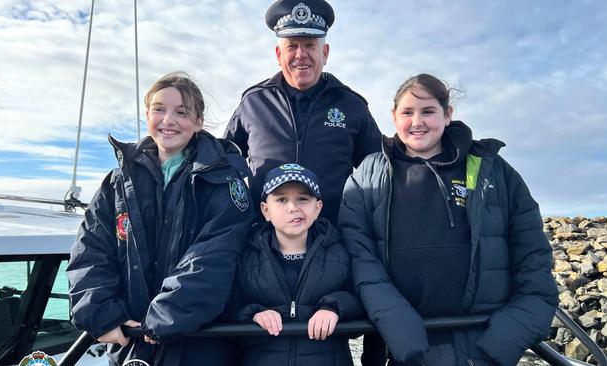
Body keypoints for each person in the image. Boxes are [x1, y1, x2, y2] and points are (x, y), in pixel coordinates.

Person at [338, 73, 558, 366]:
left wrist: (502, 341)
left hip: (480, 348)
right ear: (393, 116)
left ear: (447, 114)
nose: (417, 122)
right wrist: (400, 330)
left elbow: (534, 262)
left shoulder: (495, 172)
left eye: (428, 111)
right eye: (407, 112)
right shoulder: (367, 175)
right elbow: (359, 258)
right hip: (402, 349)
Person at [67, 72, 255, 366]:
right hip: (130, 343)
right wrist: (101, 313)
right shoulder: (117, 182)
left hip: (199, 345)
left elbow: (214, 259)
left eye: (181, 112)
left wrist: (162, 317)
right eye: (159, 109)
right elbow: (91, 250)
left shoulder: (224, 183)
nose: (168, 120)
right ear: (147, 114)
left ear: (198, 122)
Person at [224, 0, 382, 224]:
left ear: (324, 53)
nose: (301, 54)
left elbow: (379, 171)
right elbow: (225, 166)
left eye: (309, 45)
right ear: (279, 55)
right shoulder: (252, 103)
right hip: (262, 244)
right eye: (292, 46)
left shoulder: (352, 106)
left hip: (334, 241)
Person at [224, 163, 363, 365]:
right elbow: (227, 307)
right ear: (265, 210)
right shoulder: (245, 255)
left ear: (318, 208)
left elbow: (361, 298)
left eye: (303, 199)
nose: (293, 208)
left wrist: (333, 307)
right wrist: (253, 313)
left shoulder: (341, 251)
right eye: (281, 199)